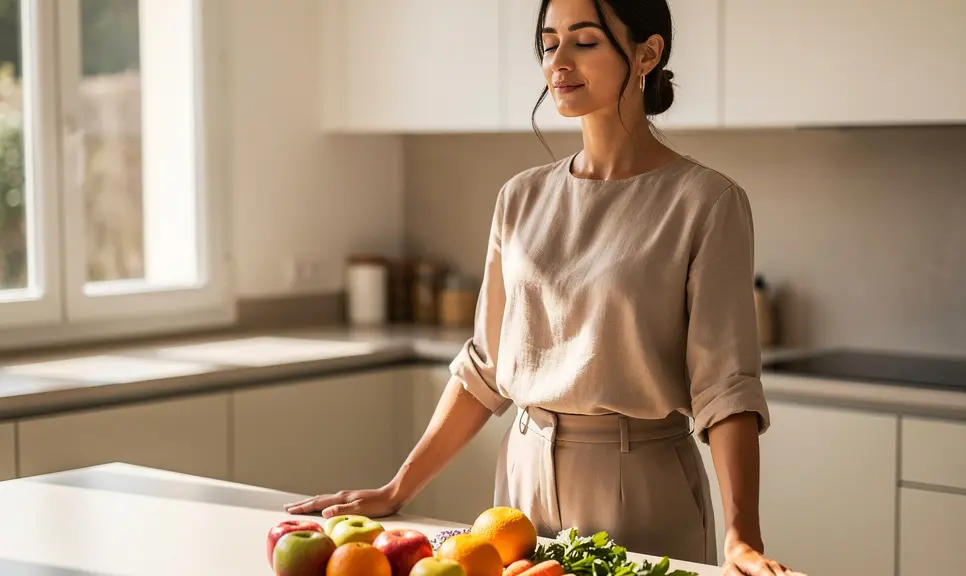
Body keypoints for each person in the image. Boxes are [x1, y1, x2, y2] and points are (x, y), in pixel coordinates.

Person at [287, 1, 803, 575]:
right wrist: (397, 488)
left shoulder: (705, 201)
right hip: (521, 487)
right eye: (549, 42)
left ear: (647, 54)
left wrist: (742, 538)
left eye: (585, 41)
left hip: (643, 485)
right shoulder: (520, 198)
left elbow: (725, 388)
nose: (559, 61)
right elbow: (485, 369)